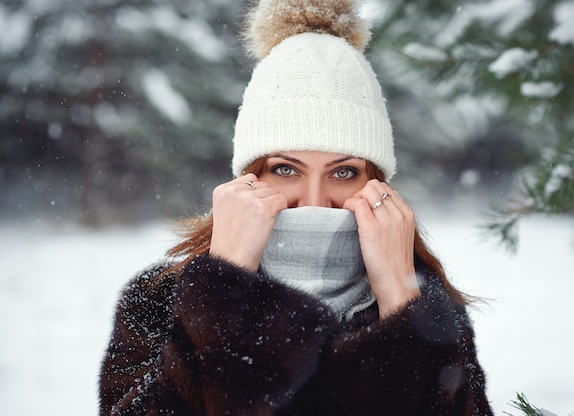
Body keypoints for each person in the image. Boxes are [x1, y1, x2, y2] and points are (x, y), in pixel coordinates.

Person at [99, 0, 494, 415]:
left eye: (343, 173)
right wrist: (221, 294)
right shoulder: (160, 301)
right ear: (249, 178)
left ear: (377, 185)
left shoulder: (426, 308)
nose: (313, 202)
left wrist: (400, 304)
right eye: (286, 169)